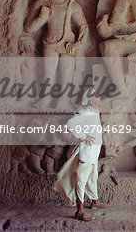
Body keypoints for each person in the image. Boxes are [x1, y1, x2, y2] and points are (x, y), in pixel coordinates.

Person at [54, 88, 106, 222]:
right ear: (92, 99)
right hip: (88, 152)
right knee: (81, 180)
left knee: (93, 177)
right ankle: (80, 210)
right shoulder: (85, 112)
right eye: (98, 97)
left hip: (94, 152)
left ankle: (94, 202)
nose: (100, 100)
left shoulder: (95, 111)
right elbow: (71, 124)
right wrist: (83, 136)